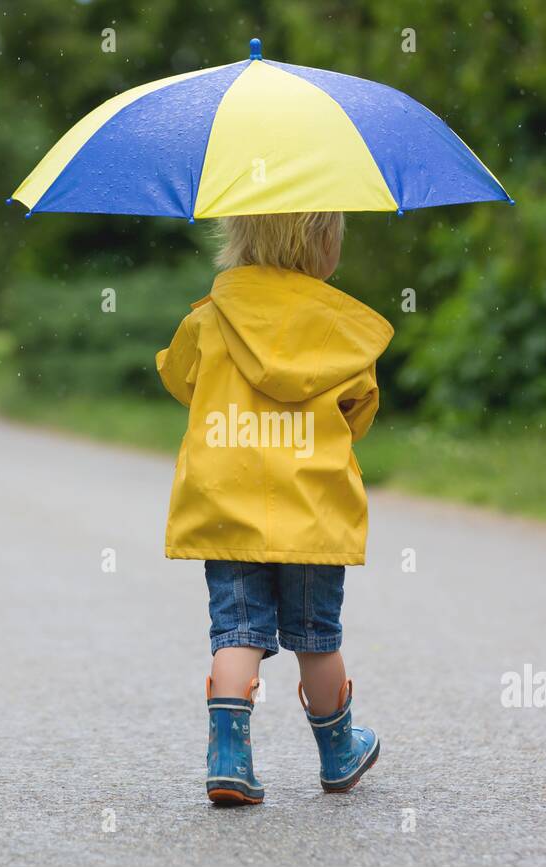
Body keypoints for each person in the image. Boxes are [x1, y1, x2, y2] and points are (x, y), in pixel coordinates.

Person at [156, 211, 391, 804]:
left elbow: (181, 379)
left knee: (235, 633)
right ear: (326, 247)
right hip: (311, 518)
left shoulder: (210, 318)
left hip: (229, 511)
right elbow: (358, 412)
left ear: (238, 238)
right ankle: (338, 752)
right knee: (317, 638)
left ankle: (229, 759)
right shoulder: (343, 330)